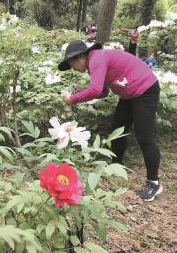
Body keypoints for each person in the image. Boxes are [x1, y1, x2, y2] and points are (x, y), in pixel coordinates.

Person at [59, 40, 162, 202]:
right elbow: (103, 92)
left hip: (146, 90)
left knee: (145, 137)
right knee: (117, 130)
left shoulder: (97, 59)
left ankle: (153, 183)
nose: (73, 68)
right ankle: (117, 164)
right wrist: (81, 93)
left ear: (79, 57)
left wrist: (72, 99)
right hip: (129, 94)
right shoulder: (94, 62)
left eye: (71, 64)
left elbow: (94, 90)